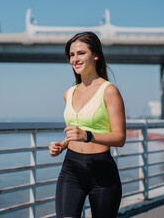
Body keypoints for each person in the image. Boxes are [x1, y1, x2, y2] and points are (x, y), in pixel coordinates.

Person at [49, 31, 126, 218]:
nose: (75, 58)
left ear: (96, 55)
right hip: (71, 169)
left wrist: (88, 135)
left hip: (102, 172)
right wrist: (62, 145)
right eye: (72, 54)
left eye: (81, 53)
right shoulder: (69, 93)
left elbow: (120, 137)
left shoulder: (109, 91)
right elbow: (73, 131)